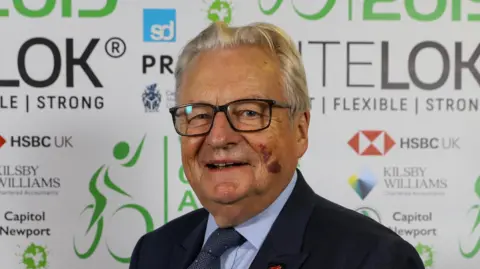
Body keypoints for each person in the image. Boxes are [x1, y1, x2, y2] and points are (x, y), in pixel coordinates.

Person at [129, 21, 425, 269]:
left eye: (248, 112)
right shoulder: (154, 252)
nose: (218, 138)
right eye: (200, 114)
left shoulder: (377, 259)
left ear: (300, 130)